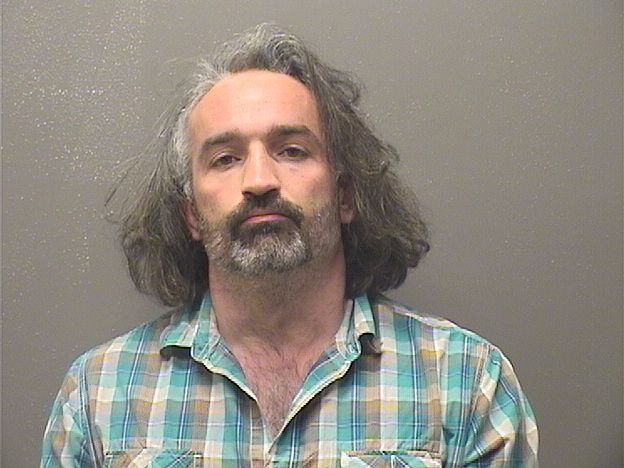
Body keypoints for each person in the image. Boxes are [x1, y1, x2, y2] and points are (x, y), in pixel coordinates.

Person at [41, 24, 538, 467]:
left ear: (345, 195)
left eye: (292, 151)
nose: (259, 180)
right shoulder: (98, 396)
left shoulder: (465, 383)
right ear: (190, 213)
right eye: (225, 158)